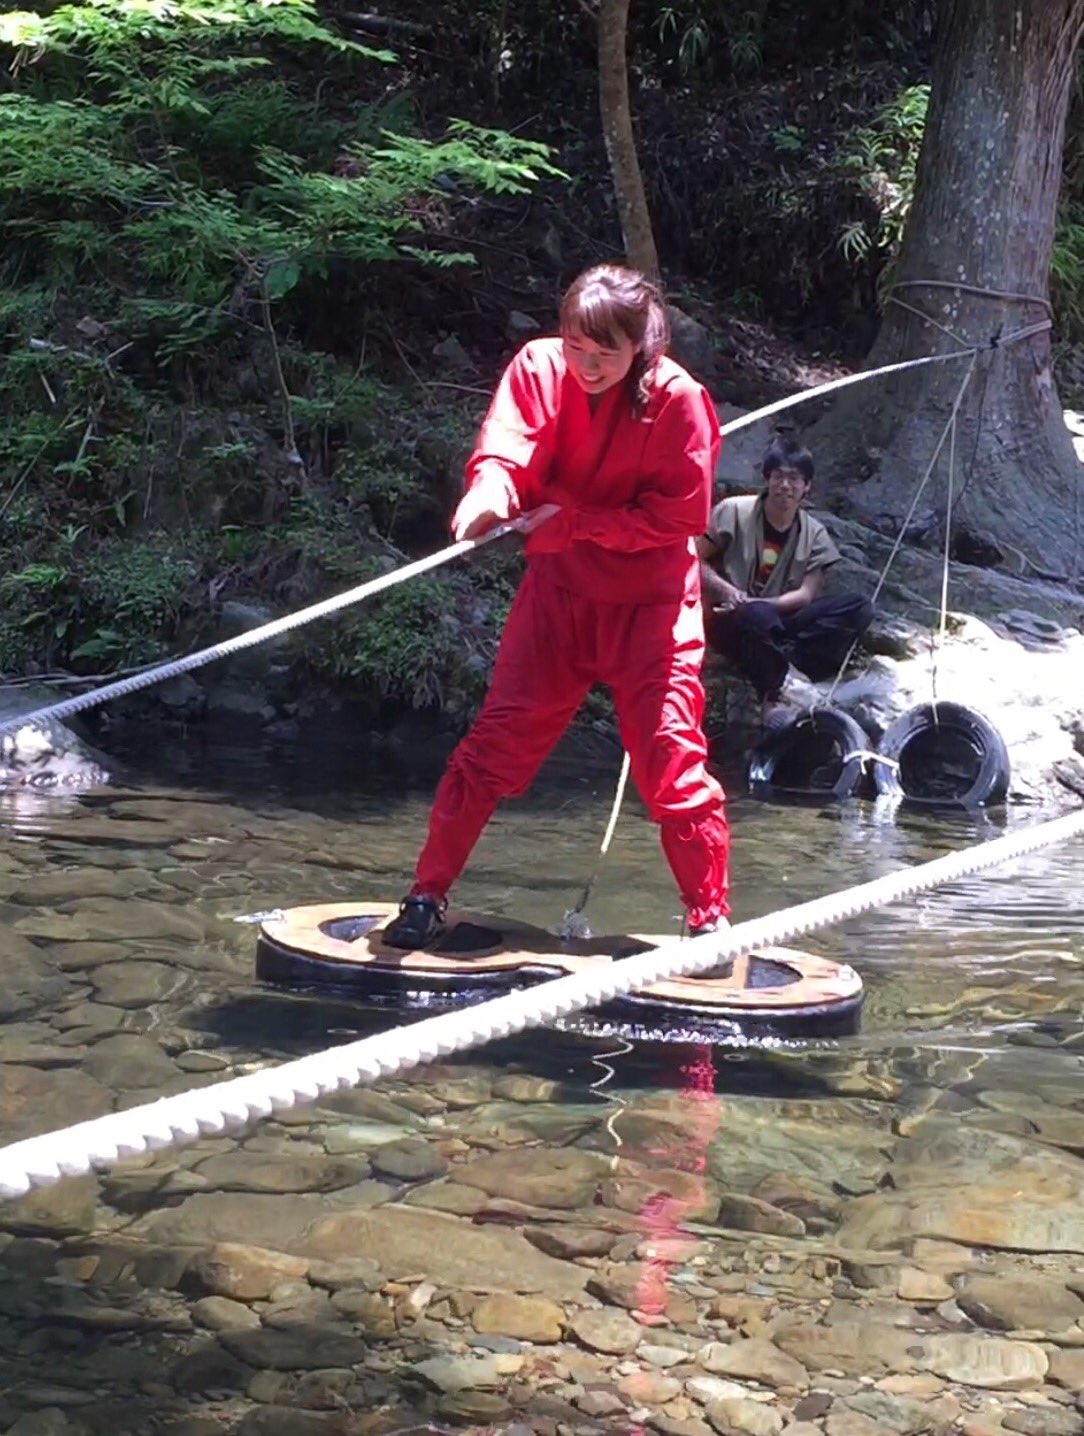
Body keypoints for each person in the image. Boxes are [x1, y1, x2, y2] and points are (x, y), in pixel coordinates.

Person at [383, 264, 731, 951]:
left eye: (606, 354)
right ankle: (426, 895)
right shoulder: (540, 365)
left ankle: (708, 918)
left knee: (672, 764)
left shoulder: (677, 400)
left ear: (641, 349)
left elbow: (679, 517)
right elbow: (509, 445)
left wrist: (574, 524)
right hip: (559, 601)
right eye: (577, 346)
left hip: (651, 610)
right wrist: (490, 490)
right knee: (491, 747)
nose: (587, 365)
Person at [696, 437, 873, 727]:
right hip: (730, 616)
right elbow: (693, 559)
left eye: (794, 479)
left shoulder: (814, 533)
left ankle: (784, 665)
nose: (785, 486)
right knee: (754, 617)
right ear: (766, 479)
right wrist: (727, 591)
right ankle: (777, 689)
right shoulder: (734, 511)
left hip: (776, 616)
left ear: (807, 487)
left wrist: (757, 603)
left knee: (859, 607)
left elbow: (805, 595)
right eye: (778, 476)